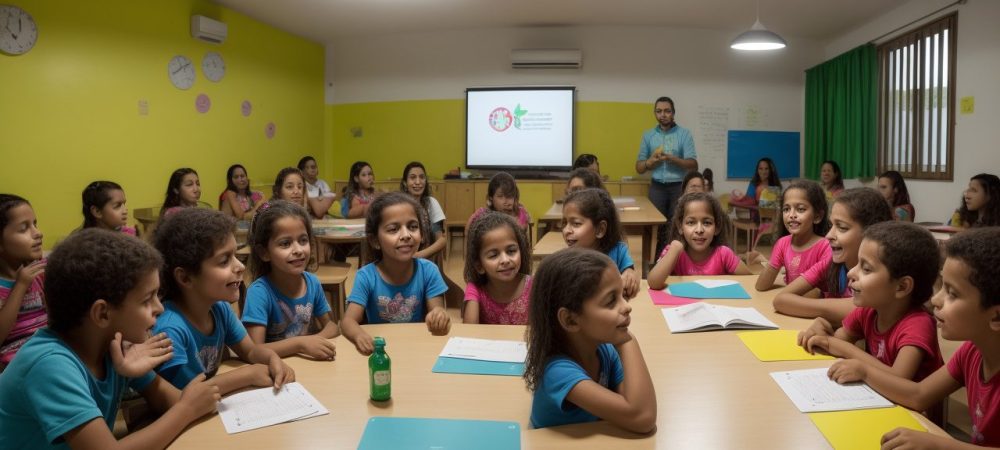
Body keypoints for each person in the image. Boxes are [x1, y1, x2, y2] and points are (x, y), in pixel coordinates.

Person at [0, 229, 220, 449]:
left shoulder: (111, 343)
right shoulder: (49, 364)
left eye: (157, 296)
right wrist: (187, 410)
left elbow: (168, 399)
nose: (159, 308)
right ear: (102, 314)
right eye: (146, 300)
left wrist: (180, 401)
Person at [824, 228, 1000, 448]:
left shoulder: (922, 325)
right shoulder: (972, 352)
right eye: (941, 286)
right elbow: (919, 394)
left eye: (952, 293)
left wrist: (938, 445)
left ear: (996, 316)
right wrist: (864, 370)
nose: (936, 299)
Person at [152, 208, 295, 394]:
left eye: (235, 256)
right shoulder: (170, 330)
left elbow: (250, 351)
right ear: (185, 278)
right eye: (224, 261)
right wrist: (248, 375)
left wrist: (272, 359)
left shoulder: (219, 308)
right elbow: (187, 396)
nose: (241, 266)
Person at [524, 248, 656, 433]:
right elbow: (642, 417)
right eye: (611, 301)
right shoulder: (557, 372)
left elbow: (635, 399)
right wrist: (628, 340)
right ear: (570, 320)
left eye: (622, 295)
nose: (626, 307)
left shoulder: (603, 349)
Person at [799, 222, 943, 389]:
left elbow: (899, 379)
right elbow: (837, 341)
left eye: (866, 269)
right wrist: (822, 331)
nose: (852, 272)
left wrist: (851, 357)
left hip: (911, 413)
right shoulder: (868, 311)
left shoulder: (918, 325)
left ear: (902, 287)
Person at [341, 193, 450, 356]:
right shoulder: (366, 276)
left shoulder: (429, 271)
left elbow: (438, 310)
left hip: (417, 350)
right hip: (380, 352)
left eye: (413, 227)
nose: (406, 235)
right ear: (375, 241)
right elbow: (348, 321)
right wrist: (359, 335)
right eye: (393, 229)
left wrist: (439, 315)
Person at [773, 188, 892, 325]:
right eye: (831, 225)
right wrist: (830, 314)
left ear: (872, 233)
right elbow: (781, 300)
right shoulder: (830, 265)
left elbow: (866, 310)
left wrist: (824, 314)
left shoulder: (881, 275)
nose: (829, 235)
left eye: (841, 227)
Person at [242, 200, 339, 360]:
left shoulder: (312, 283)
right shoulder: (259, 292)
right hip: (276, 371)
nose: (298, 250)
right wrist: (301, 344)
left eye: (303, 240)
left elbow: (332, 326)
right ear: (264, 252)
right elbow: (255, 350)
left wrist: (315, 341)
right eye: (285, 243)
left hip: (308, 364)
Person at [635, 96, 698, 258]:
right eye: (659, 111)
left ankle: (675, 260)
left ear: (673, 113)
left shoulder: (684, 134)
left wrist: (672, 159)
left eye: (667, 111)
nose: (663, 114)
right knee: (654, 226)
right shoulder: (648, 136)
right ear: (655, 114)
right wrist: (650, 162)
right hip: (657, 187)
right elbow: (639, 168)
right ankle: (655, 261)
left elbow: (693, 164)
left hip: (678, 186)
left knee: (676, 225)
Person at [647, 192, 749, 290]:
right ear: (680, 227)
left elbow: (750, 281)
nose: (699, 230)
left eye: (707, 223)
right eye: (691, 222)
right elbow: (653, 283)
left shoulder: (724, 254)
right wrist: (674, 248)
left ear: (717, 228)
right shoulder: (674, 252)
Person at [561, 188, 639, 300]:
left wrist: (630, 274)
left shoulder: (618, 251)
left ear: (600, 229)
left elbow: (630, 272)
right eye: (564, 223)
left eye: (576, 223)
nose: (566, 230)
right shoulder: (566, 260)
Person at [753, 180, 831, 291]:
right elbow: (761, 286)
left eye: (800, 209)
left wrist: (786, 299)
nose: (791, 215)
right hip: (790, 301)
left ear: (817, 216)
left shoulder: (825, 247)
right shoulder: (783, 243)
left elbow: (817, 293)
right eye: (786, 209)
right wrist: (771, 264)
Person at [0, 194, 46, 372]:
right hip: (14, 360)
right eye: (24, 228)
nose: (38, 233)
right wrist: (20, 285)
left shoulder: (40, 273)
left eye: (35, 224)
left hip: (48, 347)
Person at [463, 212, 532, 325]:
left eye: (511, 251)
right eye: (493, 255)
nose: (505, 260)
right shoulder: (476, 290)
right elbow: (470, 332)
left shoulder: (534, 287)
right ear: (479, 266)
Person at [400, 161, 446, 260]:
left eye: (422, 177)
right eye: (413, 177)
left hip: (426, 260)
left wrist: (418, 256)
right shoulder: (398, 206)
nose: (418, 182)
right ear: (405, 183)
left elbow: (441, 240)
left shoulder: (431, 203)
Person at [467, 172, 531, 233]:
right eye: (500, 196)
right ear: (491, 198)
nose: (506, 202)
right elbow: (468, 232)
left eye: (510, 196)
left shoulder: (520, 214)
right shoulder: (482, 215)